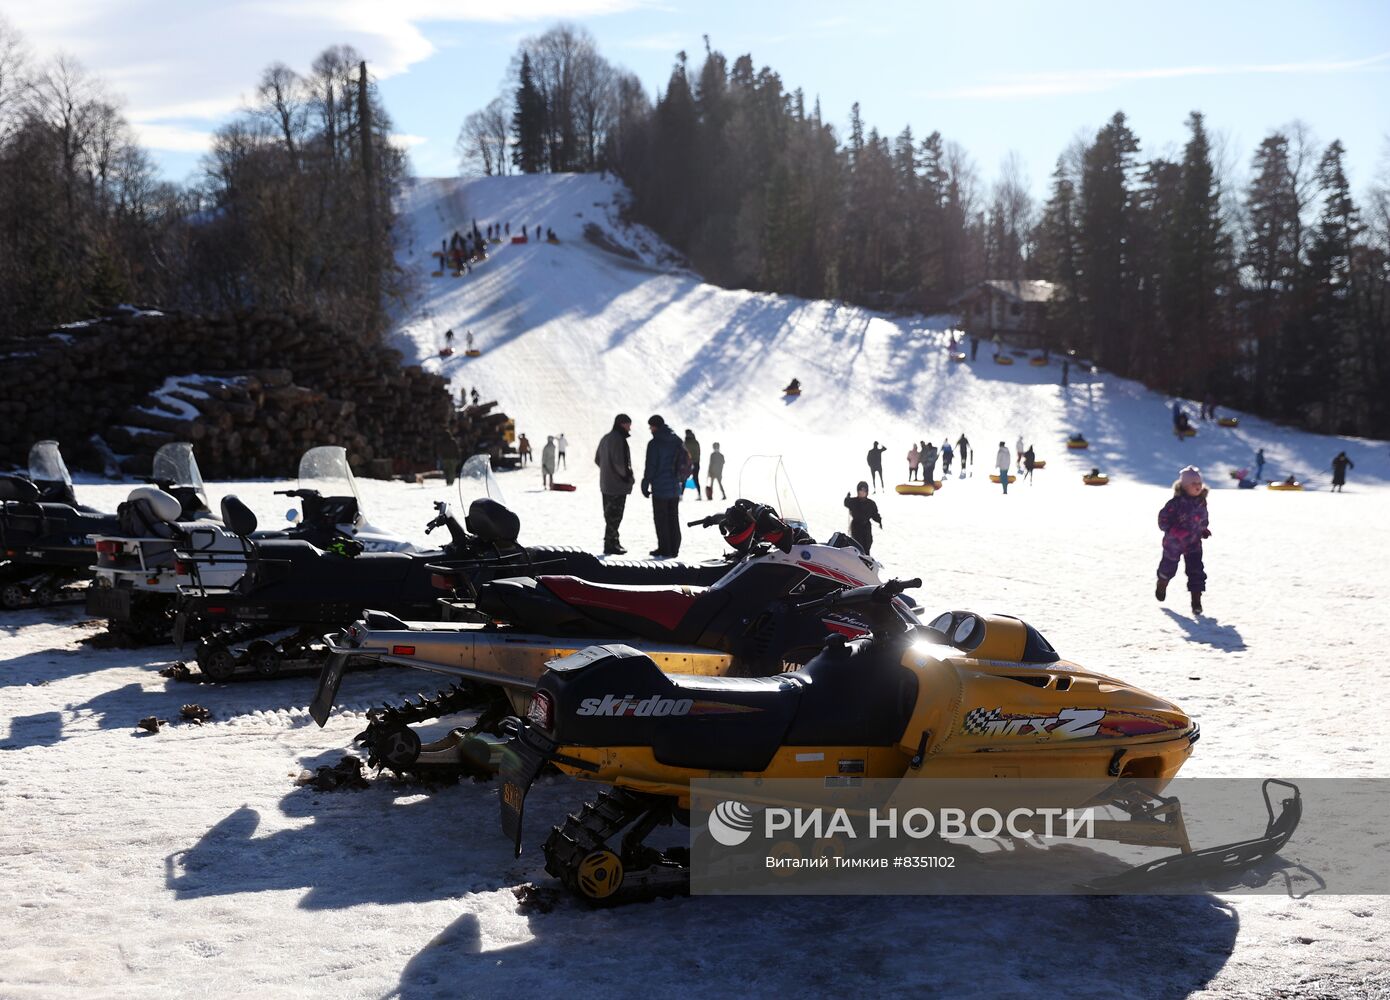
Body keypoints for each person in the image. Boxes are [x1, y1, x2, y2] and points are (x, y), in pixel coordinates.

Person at [1156, 466, 1210, 615]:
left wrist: (1203, 529)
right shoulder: (1175, 504)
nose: (1198, 486)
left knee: (1196, 571)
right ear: (1185, 486)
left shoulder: (1201, 502)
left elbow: (1203, 519)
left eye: (1199, 483)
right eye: (1194, 484)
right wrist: (1174, 531)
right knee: (1168, 568)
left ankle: (1196, 602)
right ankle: (1162, 583)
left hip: (1193, 543)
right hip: (1174, 544)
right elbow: (1163, 520)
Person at [642, 415, 686, 558]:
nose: (650, 429)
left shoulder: (655, 443)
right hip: (674, 487)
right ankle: (674, 549)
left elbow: (651, 466)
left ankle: (665, 549)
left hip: (660, 487)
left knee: (661, 519)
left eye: (651, 426)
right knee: (673, 517)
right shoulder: (676, 440)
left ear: (656, 426)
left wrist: (645, 482)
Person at [595, 414, 635, 554]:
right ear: (622, 424)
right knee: (615, 516)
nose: (630, 427)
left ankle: (614, 542)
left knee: (609, 515)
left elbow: (597, 459)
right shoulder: (619, 440)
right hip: (617, 486)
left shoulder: (605, 438)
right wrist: (627, 477)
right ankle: (610, 544)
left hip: (606, 484)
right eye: (628, 424)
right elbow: (620, 463)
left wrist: (607, 471)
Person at [843, 482, 883, 554]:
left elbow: (875, 514)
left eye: (864, 491)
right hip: (856, 526)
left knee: (867, 545)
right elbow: (846, 502)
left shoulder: (871, 503)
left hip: (866, 526)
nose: (862, 493)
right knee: (857, 545)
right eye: (860, 491)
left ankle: (866, 560)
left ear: (867, 492)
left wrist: (879, 521)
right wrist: (847, 497)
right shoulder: (854, 501)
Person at [683, 430, 701, 498]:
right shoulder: (696, 442)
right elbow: (699, 454)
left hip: (687, 464)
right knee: (696, 479)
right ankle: (699, 494)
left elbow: (683, 454)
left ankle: (681, 495)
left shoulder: (685, 443)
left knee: (684, 479)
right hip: (696, 463)